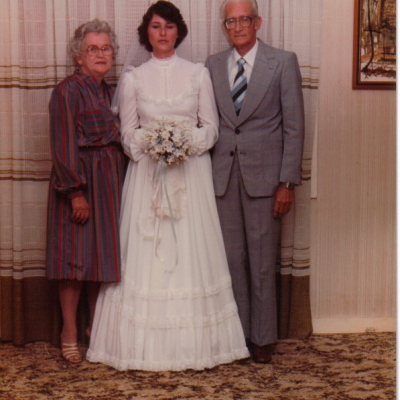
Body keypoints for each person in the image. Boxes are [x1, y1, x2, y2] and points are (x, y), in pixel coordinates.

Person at [86, 1, 249, 371]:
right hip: (147, 179)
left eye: (169, 26)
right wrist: (155, 146)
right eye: (156, 26)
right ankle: (141, 346)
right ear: (146, 33)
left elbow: (211, 128)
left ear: (179, 31)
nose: (162, 33)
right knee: (147, 255)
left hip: (190, 176)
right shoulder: (132, 78)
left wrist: (181, 145)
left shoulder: (198, 74)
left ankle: (195, 347)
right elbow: (127, 134)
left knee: (191, 255)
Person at [205, 0, 305, 363]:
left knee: (262, 261)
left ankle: (262, 338)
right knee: (231, 261)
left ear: (257, 22)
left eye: (244, 19)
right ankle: (238, 335)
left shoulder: (283, 62)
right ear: (224, 27)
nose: (237, 27)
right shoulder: (213, 65)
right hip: (223, 179)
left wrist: (287, 183)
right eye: (230, 21)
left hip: (266, 181)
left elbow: (294, 128)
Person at [47, 19, 125, 364]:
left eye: (105, 48)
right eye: (92, 49)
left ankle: (95, 328)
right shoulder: (67, 90)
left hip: (110, 183)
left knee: (100, 261)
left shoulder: (113, 91)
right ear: (78, 56)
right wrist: (75, 192)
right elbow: (62, 144)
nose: (100, 54)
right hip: (79, 182)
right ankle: (68, 332)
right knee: (73, 261)